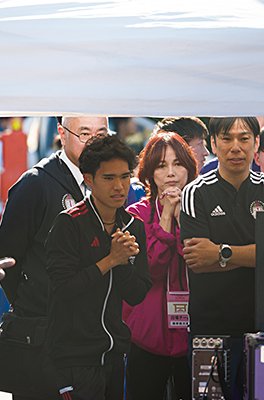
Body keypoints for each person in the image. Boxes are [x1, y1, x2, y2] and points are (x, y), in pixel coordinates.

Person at [0, 116, 109, 399]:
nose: (94, 142)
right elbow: (8, 261)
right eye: (84, 133)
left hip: (94, 343)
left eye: (101, 133)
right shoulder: (36, 184)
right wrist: (40, 302)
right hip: (44, 344)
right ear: (62, 132)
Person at [180, 116, 264, 399]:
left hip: (263, 327)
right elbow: (198, 262)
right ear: (214, 144)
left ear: (256, 143)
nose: (235, 147)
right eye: (227, 138)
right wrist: (255, 253)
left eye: (244, 138)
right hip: (210, 329)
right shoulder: (195, 192)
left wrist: (221, 252)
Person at [45, 134, 151, 400]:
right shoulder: (69, 223)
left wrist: (122, 261)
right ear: (89, 180)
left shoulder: (133, 225)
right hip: (74, 359)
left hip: (115, 354)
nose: (119, 186)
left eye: (125, 177)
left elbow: (137, 294)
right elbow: (62, 290)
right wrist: (110, 260)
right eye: (109, 178)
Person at [123, 131, 197, 400]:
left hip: (194, 333)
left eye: (178, 164)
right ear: (149, 173)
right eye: (162, 166)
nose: (171, 173)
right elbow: (150, 269)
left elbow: (198, 263)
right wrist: (166, 215)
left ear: (189, 169)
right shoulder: (136, 215)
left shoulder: (200, 210)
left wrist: (183, 218)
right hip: (146, 335)